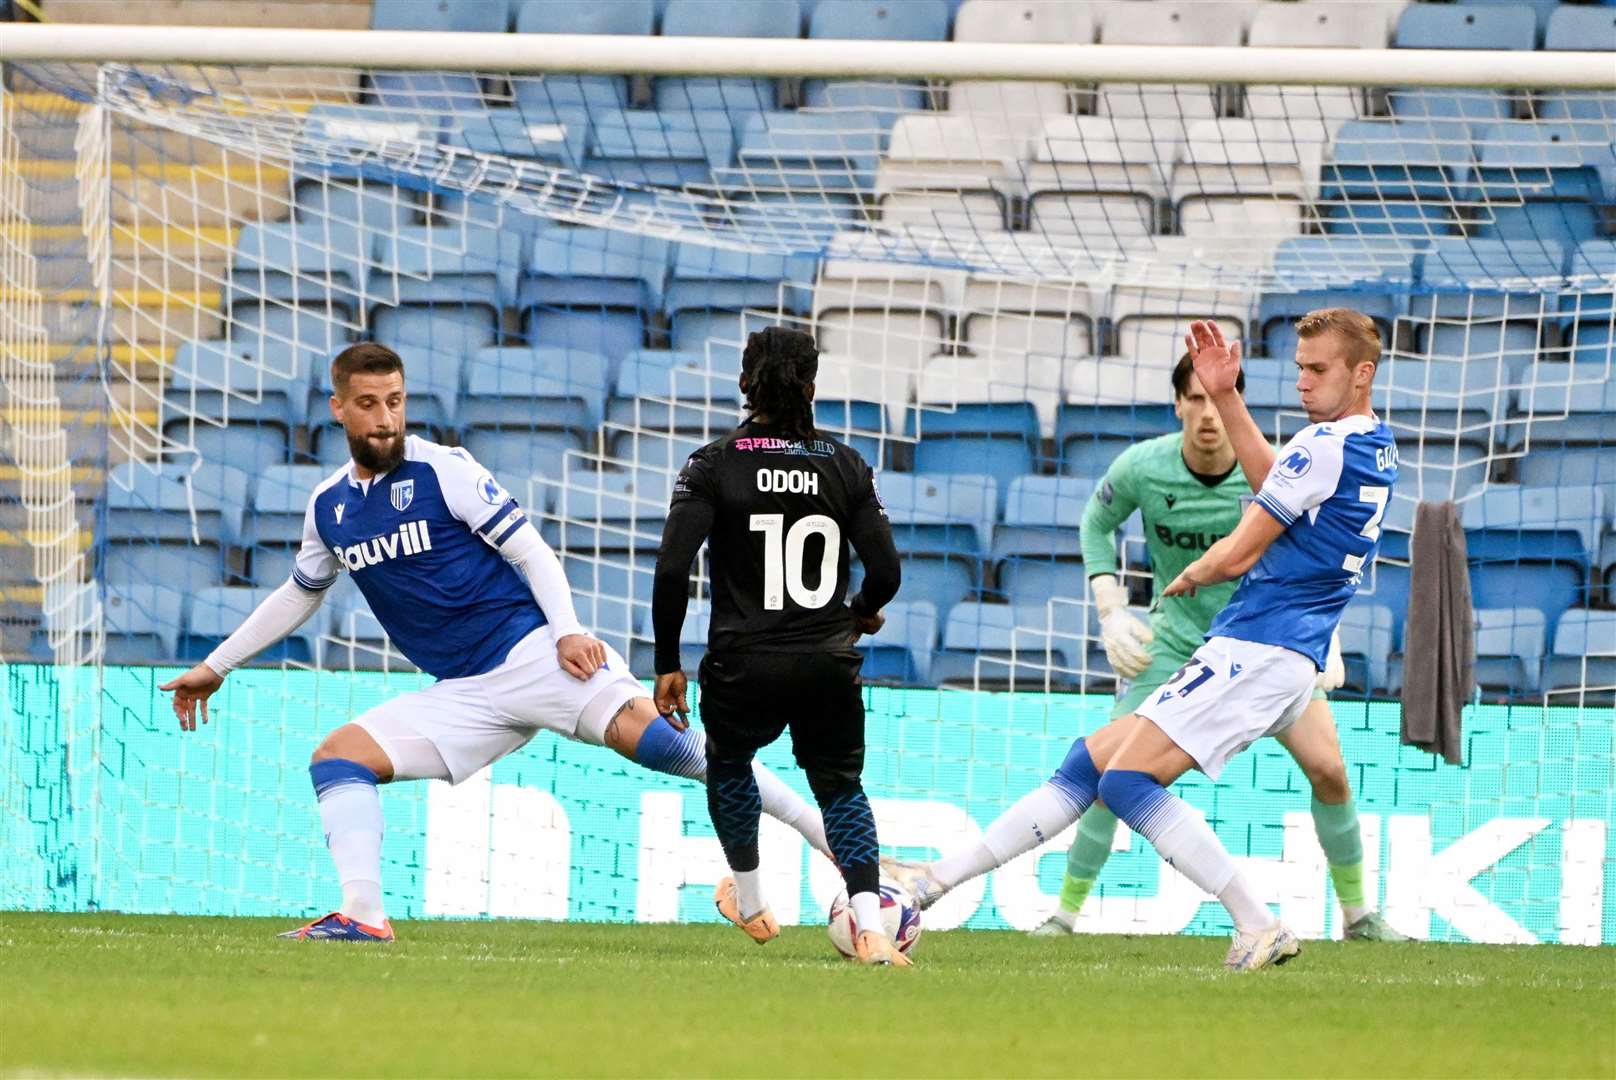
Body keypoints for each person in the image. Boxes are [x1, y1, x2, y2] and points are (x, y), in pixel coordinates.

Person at [160, 342, 833, 941]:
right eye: (368, 404)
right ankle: (363, 915)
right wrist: (217, 667)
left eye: (395, 401)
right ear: (339, 409)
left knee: (664, 745)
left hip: (531, 654)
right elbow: (298, 594)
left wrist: (567, 631)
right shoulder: (329, 507)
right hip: (462, 693)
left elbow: (531, 551)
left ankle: (823, 837)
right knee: (337, 759)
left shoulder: (444, 469)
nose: (386, 417)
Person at [888, 309, 1399, 971]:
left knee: (1129, 782)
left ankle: (1258, 921)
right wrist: (1226, 393)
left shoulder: (1318, 445)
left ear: (1362, 374)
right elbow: (1283, 487)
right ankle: (935, 881)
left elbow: (1242, 552)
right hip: (1276, 648)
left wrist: (1194, 571)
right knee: (1090, 763)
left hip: (1257, 645)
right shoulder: (1371, 442)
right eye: (1299, 367)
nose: (1302, 382)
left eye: (1317, 369)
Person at [1031, 352, 1403, 943]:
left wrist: (1325, 636)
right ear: (1178, 403)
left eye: (1216, 399)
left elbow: (1321, 549)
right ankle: (1064, 915)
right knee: (1111, 773)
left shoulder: (1275, 470)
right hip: (1174, 645)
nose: (1207, 414)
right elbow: (1094, 523)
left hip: (1265, 647)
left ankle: (1359, 916)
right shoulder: (1142, 467)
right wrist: (1109, 602)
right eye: (1195, 399)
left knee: (1330, 770)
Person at [651, 326, 908, 966]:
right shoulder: (845, 464)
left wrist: (666, 664)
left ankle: (753, 902)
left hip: (742, 663)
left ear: (744, 385)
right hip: (826, 661)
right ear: (813, 387)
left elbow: (670, 571)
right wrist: (861, 614)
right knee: (841, 788)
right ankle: (872, 927)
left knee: (730, 763)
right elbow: (888, 572)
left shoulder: (711, 464)